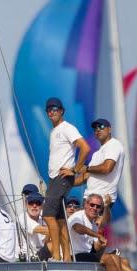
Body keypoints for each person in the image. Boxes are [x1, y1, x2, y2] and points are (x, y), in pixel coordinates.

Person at [68, 193, 137, 271]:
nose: (94, 208)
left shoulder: (93, 223)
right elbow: (77, 227)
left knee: (123, 260)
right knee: (109, 258)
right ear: (85, 205)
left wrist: (101, 241)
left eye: (98, 206)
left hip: (87, 255)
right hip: (75, 256)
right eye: (92, 205)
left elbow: (96, 247)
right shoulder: (78, 216)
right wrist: (98, 235)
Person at [43, 97, 90, 262]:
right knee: (60, 220)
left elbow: (85, 147)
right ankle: (67, 258)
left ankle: (56, 256)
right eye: (49, 110)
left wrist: (75, 170)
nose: (51, 112)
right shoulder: (54, 131)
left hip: (61, 178)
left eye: (55, 109)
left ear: (62, 111)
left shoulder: (67, 128)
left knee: (48, 216)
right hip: (54, 178)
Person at [77, 118, 125, 208]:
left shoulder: (114, 144)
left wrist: (87, 168)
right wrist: (67, 182)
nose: (98, 130)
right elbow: (87, 176)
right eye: (95, 128)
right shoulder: (97, 153)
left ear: (109, 129)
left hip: (100, 199)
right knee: (76, 221)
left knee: (81, 222)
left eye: (101, 127)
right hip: (90, 198)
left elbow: (107, 168)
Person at [18, 192, 51, 261]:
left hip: (38, 254)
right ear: (26, 205)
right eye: (31, 203)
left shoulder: (41, 219)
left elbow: (45, 240)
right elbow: (48, 230)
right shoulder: (23, 218)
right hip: (27, 257)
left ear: (42, 206)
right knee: (54, 244)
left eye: (38, 203)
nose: (34, 206)